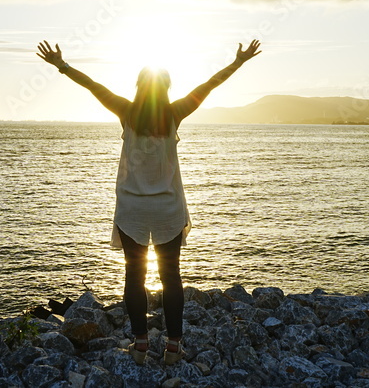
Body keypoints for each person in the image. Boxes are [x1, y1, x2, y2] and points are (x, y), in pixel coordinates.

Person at [36, 38, 261, 365]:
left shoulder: (126, 111)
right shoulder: (174, 113)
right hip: (167, 209)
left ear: (139, 86)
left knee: (134, 276)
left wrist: (62, 64)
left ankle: (140, 345)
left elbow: (93, 86)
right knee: (171, 277)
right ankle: (173, 347)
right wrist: (238, 61)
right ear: (166, 89)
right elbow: (209, 85)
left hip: (133, 210)